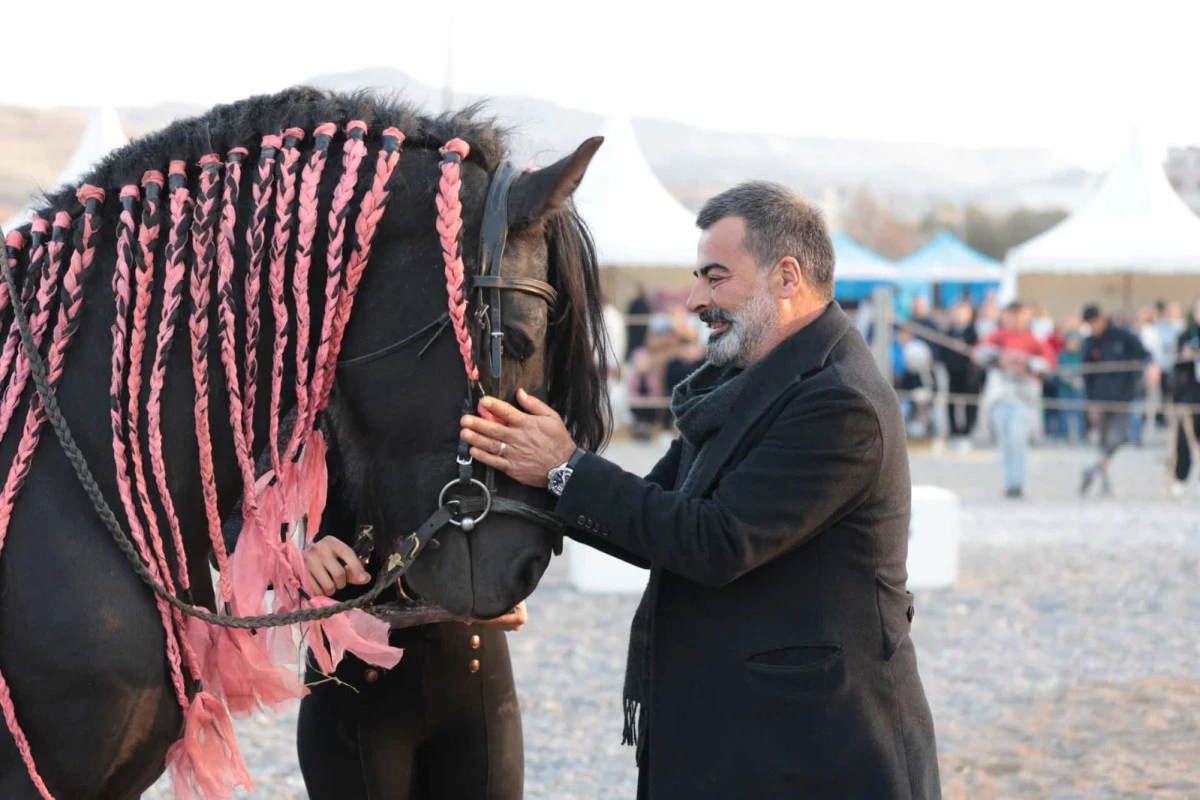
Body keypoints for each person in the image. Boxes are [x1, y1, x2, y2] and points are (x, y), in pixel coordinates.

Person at [460, 181, 940, 798]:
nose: (694, 299)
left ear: (787, 276)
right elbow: (654, 515)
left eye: (715, 278)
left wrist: (563, 466)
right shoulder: (738, 384)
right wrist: (523, 476)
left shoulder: (839, 401)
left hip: (814, 750)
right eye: (698, 278)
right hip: (737, 735)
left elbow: (716, 541)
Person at [222, 447, 529, 800]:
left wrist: (515, 557)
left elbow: (531, 471)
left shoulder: (472, 393)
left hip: (476, 678)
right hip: (354, 690)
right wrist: (291, 556)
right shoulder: (313, 391)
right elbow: (233, 515)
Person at [973, 302, 1057, 498]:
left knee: (1017, 439)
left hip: (1023, 399)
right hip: (1000, 397)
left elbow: (1049, 364)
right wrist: (998, 358)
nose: (1015, 320)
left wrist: (1027, 364)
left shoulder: (1035, 340)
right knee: (1003, 442)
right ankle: (1008, 482)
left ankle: (1017, 483)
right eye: (1011, 315)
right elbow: (978, 353)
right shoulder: (997, 337)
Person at [1079, 304, 1157, 496]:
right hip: (1100, 400)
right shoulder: (1090, 343)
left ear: (1102, 318)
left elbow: (1144, 354)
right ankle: (1104, 481)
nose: (1093, 327)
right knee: (1103, 443)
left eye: (1094, 322)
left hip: (1123, 397)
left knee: (1119, 437)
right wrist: (1091, 405)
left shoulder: (1123, 336)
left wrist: (1152, 367)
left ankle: (1092, 470)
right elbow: (1088, 377)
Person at [1170, 299, 1200, 496]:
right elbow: (1176, 365)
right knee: (1184, 439)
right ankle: (1180, 478)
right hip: (1191, 395)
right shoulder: (1185, 336)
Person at [943, 301, 981, 441]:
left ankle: (968, 430)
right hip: (953, 372)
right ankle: (954, 429)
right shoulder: (949, 331)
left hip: (969, 374)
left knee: (969, 402)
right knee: (952, 401)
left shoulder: (974, 332)